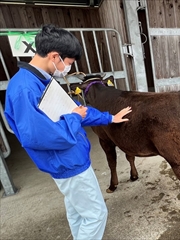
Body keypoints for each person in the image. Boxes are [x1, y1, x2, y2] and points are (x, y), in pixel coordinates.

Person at [4, 24, 132, 240]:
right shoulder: (25, 89)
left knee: (77, 212)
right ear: (55, 56)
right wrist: (74, 118)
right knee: (96, 215)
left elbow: (76, 110)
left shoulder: (40, 80)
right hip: (67, 163)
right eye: (69, 63)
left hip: (69, 160)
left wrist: (109, 118)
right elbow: (43, 136)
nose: (68, 69)